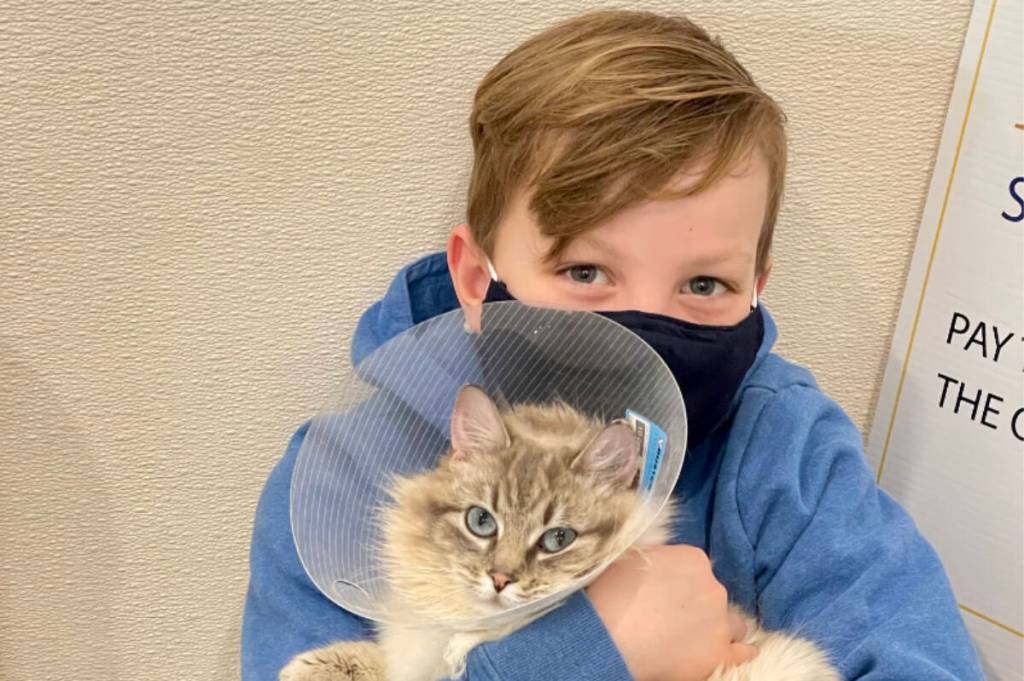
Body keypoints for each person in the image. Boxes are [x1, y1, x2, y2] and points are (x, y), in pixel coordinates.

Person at [242, 9, 984, 681]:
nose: (646, 330)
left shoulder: (786, 447)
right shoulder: (335, 487)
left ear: (757, 284)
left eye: (703, 285)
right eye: (586, 270)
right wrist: (588, 654)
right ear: (476, 274)